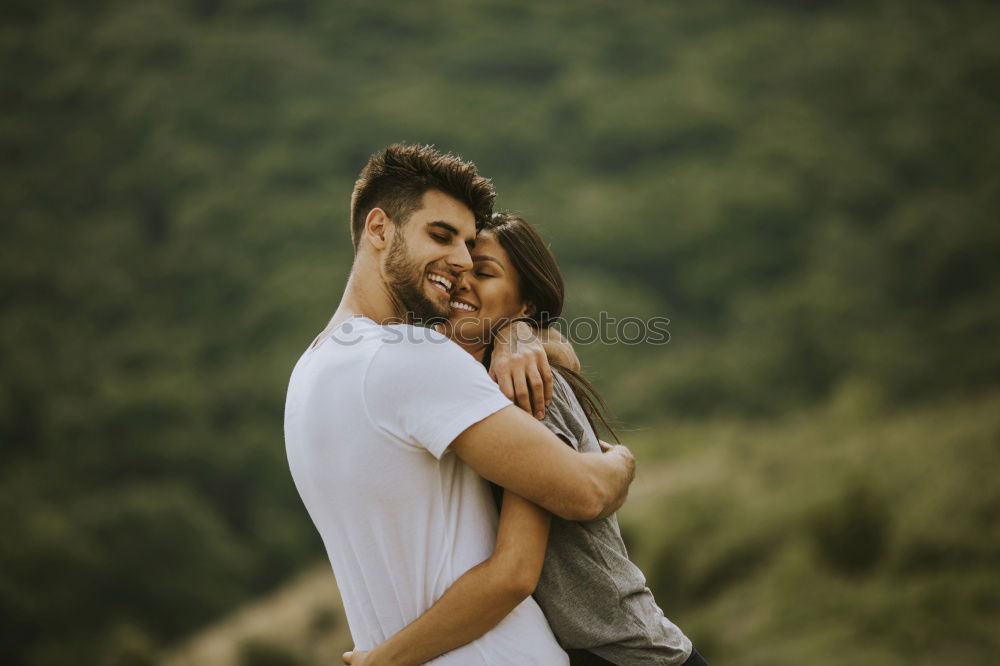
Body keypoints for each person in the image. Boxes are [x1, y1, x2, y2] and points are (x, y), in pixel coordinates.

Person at [284, 144, 637, 666]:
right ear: (378, 229)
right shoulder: (413, 359)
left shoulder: (310, 373)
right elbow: (582, 496)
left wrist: (522, 333)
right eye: (441, 235)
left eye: (470, 245)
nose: (462, 261)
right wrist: (622, 461)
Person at [345, 213, 707, 666]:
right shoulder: (458, 381)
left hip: (629, 655)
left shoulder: (527, 390)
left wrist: (383, 660)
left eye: (485, 272)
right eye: (458, 271)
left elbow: (516, 572)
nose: (462, 282)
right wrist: (520, 335)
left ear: (523, 305)